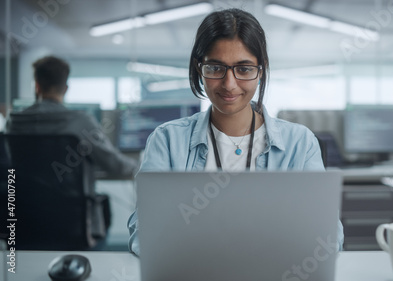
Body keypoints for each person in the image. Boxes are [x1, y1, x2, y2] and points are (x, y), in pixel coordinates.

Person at [127, 8, 344, 255]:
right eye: (215, 67)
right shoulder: (167, 140)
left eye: (244, 69)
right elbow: (144, 230)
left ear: (260, 71)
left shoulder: (300, 143)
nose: (229, 84)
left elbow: (327, 234)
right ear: (200, 69)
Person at [6, 56, 139, 248]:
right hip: (72, 225)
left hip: (22, 219)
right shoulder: (80, 121)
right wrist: (143, 164)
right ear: (65, 88)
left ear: (37, 86)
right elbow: (115, 164)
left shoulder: (14, 123)